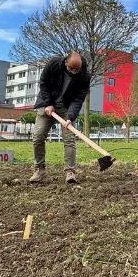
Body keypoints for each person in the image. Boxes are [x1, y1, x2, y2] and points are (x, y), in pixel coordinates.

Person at [30, 51, 91, 184]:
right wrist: (48, 103)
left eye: (77, 69)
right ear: (65, 62)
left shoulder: (85, 76)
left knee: (69, 139)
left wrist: (70, 116)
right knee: (38, 136)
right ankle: (39, 169)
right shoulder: (53, 65)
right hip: (47, 105)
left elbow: (79, 99)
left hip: (66, 107)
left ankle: (70, 172)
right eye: (71, 68)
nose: (74, 72)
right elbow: (43, 83)